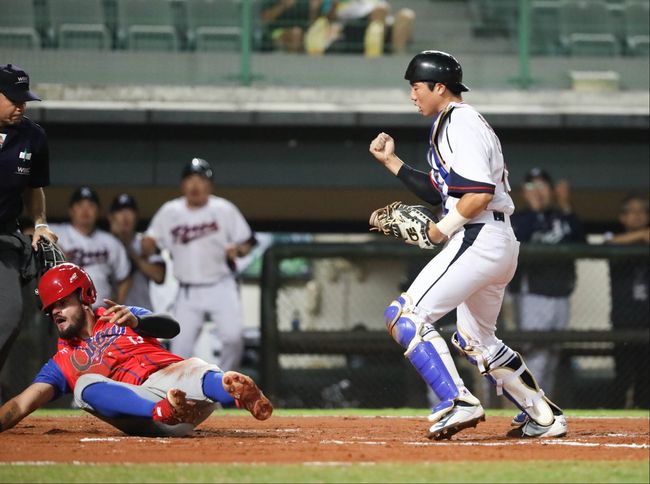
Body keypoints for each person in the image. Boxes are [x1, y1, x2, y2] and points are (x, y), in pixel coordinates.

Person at [368, 50, 566, 440]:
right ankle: (543, 415)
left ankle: (457, 401)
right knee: (476, 339)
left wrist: (439, 231)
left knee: (405, 316)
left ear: (439, 87)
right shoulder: (454, 121)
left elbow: (477, 193)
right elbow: (445, 190)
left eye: (417, 87)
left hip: (477, 236)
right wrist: (392, 163)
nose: (412, 95)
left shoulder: (459, 121)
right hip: (495, 239)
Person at [0, 263, 272, 437]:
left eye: (62, 303)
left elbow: (172, 328)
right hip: (149, 412)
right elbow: (21, 404)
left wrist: (138, 320)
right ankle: (163, 408)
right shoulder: (62, 361)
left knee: (195, 367)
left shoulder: (121, 315)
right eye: (51, 309)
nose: (56, 312)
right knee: (84, 385)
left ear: (85, 297)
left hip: (179, 386)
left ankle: (235, 392)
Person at [142, 158, 256, 371]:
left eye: (201, 180)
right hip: (188, 291)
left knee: (233, 338)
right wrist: (147, 244)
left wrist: (237, 250)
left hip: (220, 285)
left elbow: (247, 242)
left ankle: (222, 386)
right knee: (179, 350)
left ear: (210, 185)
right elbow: (150, 245)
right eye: (190, 179)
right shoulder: (170, 211)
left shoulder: (223, 209)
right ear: (182, 185)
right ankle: (182, 396)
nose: (195, 185)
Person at [0, 64, 58, 378]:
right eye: (13, 98)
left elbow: (35, 189)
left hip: (4, 238)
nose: (21, 104)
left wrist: (39, 223)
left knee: (9, 315)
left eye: (24, 98)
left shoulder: (33, 136)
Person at [509, 168, 585, 399]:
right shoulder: (519, 219)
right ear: (524, 191)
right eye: (531, 187)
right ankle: (528, 406)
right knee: (535, 355)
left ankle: (543, 408)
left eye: (542, 186)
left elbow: (581, 241)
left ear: (551, 190)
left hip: (561, 292)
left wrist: (565, 206)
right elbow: (521, 239)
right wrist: (536, 210)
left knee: (552, 354)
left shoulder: (563, 217)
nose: (537, 192)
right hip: (532, 294)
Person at [50, 186, 131, 307]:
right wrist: (54, 247)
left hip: (101, 313)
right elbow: (29, 232)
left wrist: (117, 306)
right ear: (71, 210)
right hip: (67, 311)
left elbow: (124, 278)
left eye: (91, 206)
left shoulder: (110, 242)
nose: (85, 210)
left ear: (98, 211)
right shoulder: (57, 232)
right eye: (80, 206)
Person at [604, 194, 649, 409]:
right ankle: (614, 415)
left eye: (642, 211)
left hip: (647, 320)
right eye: (632, 211)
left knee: (645, 377)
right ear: (623, 217)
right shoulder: (616, 239)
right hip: (623, 319)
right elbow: (607, 241)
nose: (638, 215)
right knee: (622, 375)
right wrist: (642, 235)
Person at [108, 193, 166, 309]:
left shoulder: (145, 242)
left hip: (142, 313)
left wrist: (133, 254)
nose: (125, 217)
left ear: (137, 216)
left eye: (129, 212)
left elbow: (159, 276)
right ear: (111, 217)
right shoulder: (102, 244)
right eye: (120, 212)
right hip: (110, 313)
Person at [329, 0, 415, 55]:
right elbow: (334, 16)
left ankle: (399, 57)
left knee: (406, 15)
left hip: (383, 26)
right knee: (381, 9)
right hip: (356, 28)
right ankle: (376, 51)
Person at [260, 0, 337, 52]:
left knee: (299, 33)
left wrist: (313, 9)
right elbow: (264, 19)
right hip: (276, 32)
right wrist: (283, 6)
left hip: (303, 33)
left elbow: (313, 24)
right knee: (295, 33)